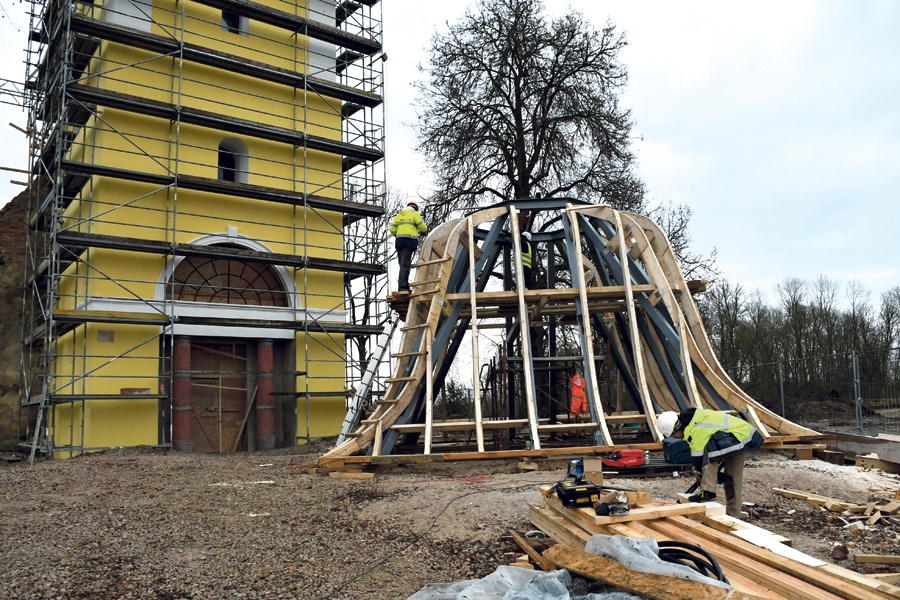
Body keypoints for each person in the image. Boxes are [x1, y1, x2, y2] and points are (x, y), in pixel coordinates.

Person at [657, 407, 764, 518]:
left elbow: (698, 457)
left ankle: (709, 493)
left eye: (674, 435)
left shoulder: (696, 428)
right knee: (730, 479)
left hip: (739, 436)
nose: (674, 438)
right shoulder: (694, 421)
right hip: (734, 437)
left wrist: (700, 475)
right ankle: (732, 514)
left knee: (730, 477)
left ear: (677, 427)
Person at [389, 200, 428, 293]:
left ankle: (403, 285)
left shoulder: (400, 215)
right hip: (408, 242)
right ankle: (403, 287)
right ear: (416, 208)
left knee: (402, 264)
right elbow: (423, 228)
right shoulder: (414, 214)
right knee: (405, 265)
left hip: (399, 242)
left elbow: (392, 229)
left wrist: (399, 235)